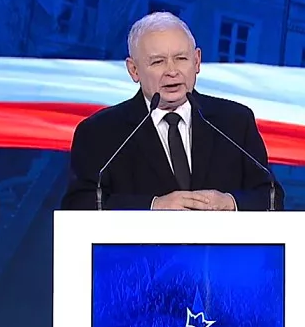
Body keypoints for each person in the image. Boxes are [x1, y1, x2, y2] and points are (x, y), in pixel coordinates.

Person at [60, 12, 284, 211]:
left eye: (181, 59)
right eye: (158, 62)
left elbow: (272, 196)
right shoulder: (99, 132)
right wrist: (153, 206)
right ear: (134, 70)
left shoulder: (234, 121)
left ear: (197, 61)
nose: (172, 71)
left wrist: (230, 203)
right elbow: (80, 204)